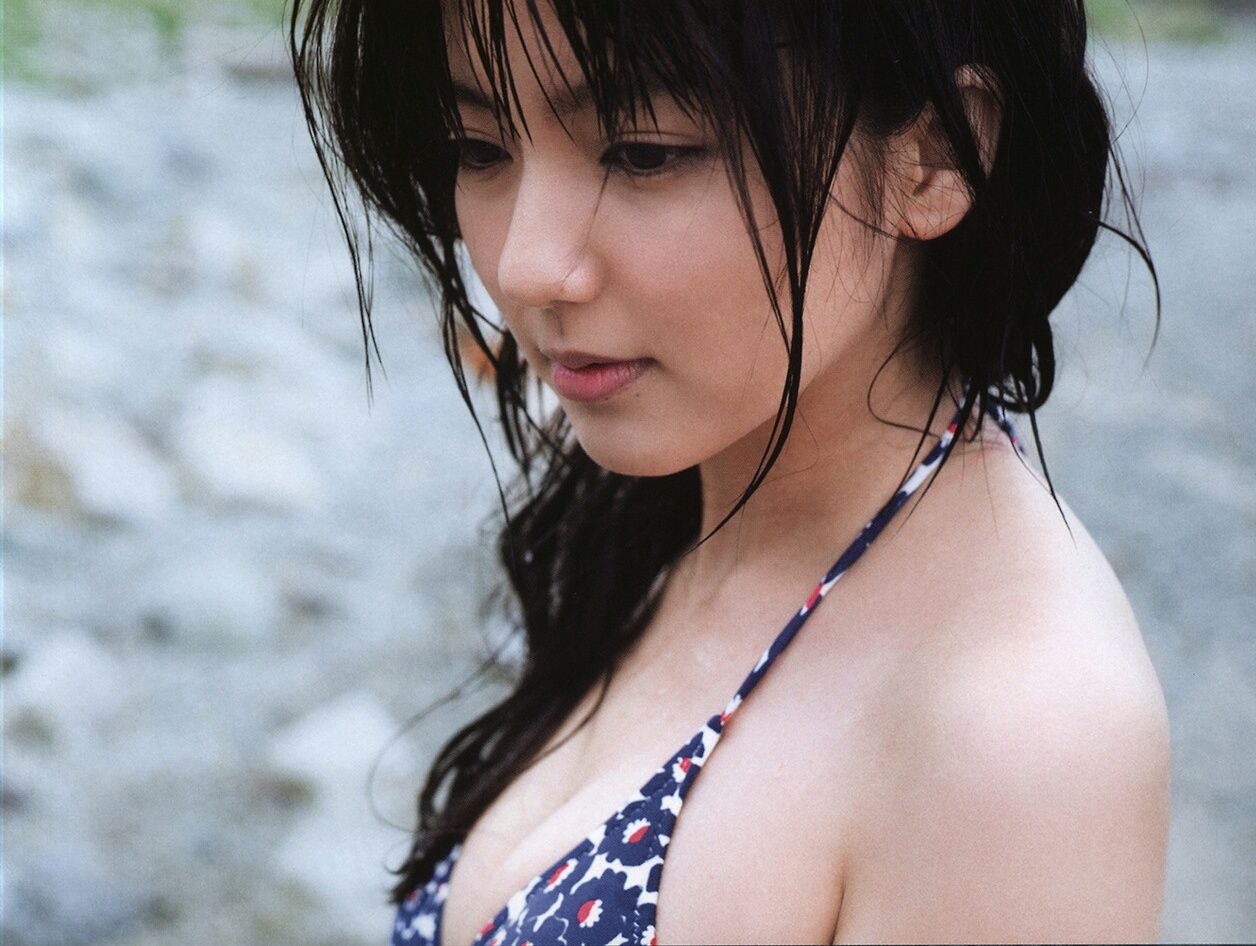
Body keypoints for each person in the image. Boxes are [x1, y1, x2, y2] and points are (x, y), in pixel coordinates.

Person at [290, 1, 1171, 942]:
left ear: (932, 157)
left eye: (643, 153)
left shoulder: (1020, 728)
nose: (525, 266)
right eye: (477, 147)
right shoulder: (665, 504)